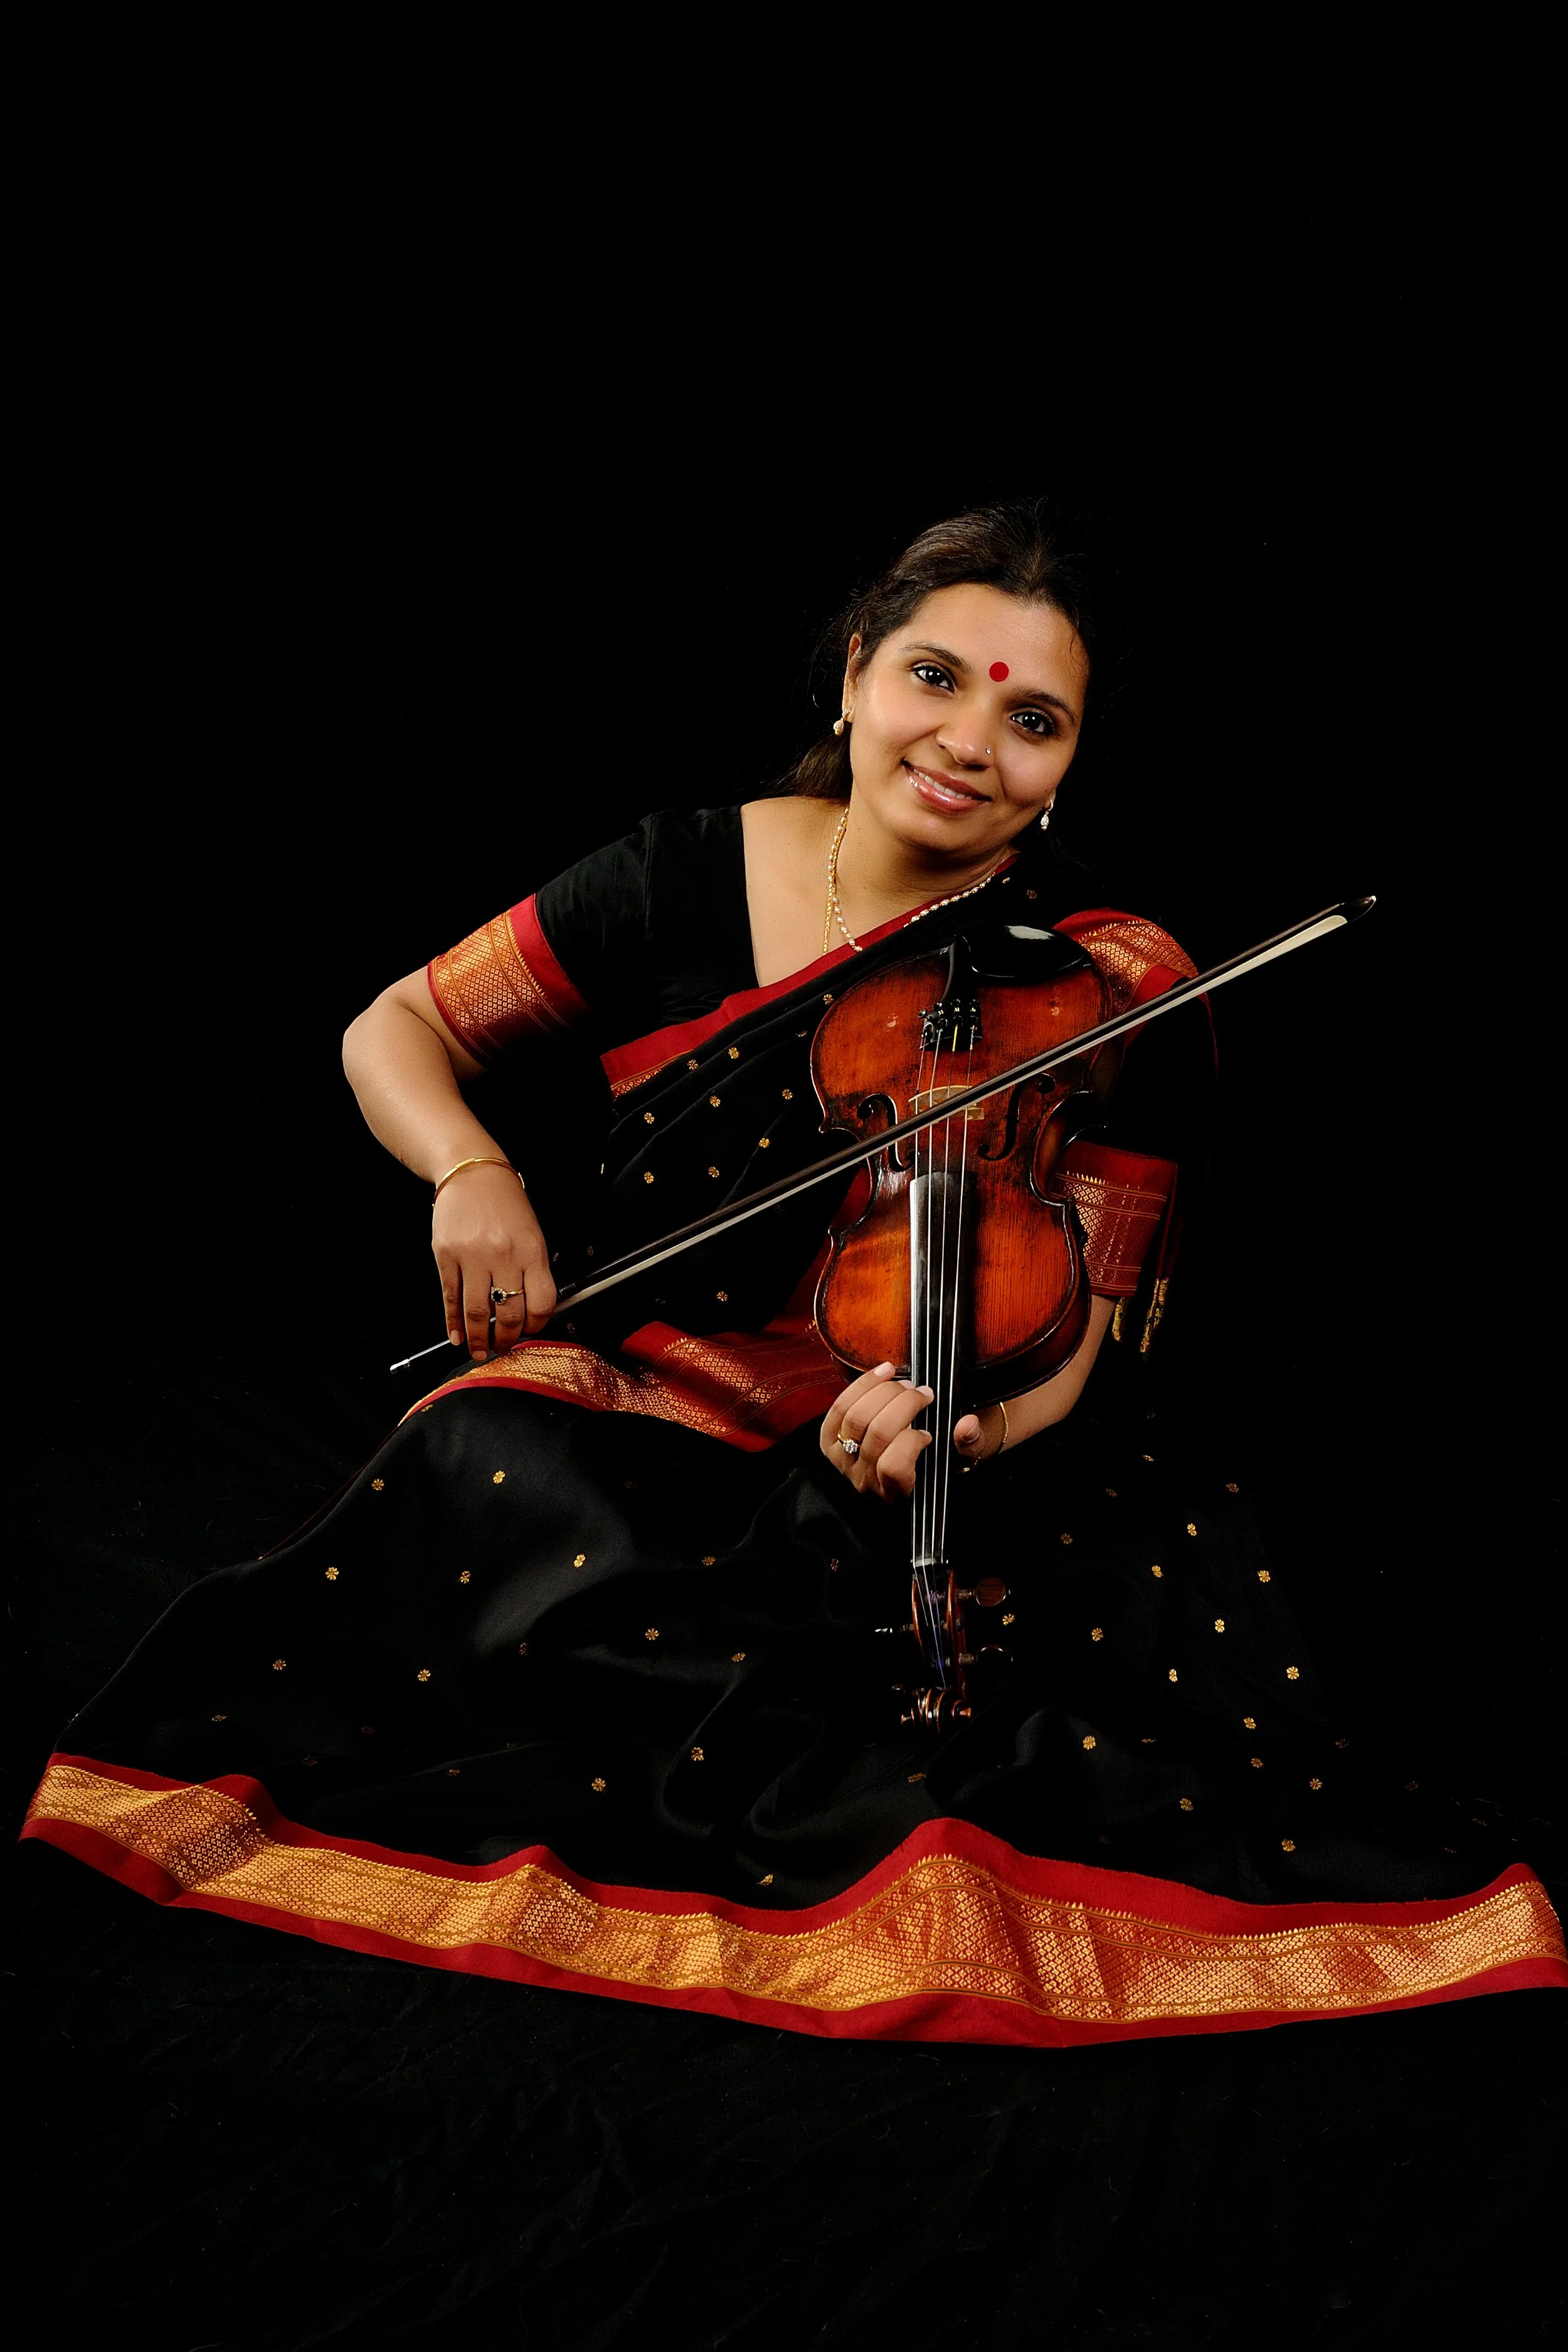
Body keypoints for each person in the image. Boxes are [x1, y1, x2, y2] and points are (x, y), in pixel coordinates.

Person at [25, 505, 1564, 2045]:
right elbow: (392, 1029)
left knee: (1092, 1605)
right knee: (483, 1444)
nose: (969, 742)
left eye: (1031, 720)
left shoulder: (1113, 975)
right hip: (675, 1384)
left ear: (1070, 760)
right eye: (933, 678)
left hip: (940, 1397)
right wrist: (470, 1174)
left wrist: (972, 1434)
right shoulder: (677, 875)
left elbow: (1092, 1302)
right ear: (851, 676)